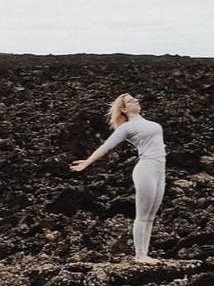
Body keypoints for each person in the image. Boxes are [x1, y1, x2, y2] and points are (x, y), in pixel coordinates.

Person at [70, 92, 166, 265]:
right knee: (143, 215)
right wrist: (87, 162)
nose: (135, 101)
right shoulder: (126, 128)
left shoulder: (150, 123)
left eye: (135, 99)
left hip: (160, 169)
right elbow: (106, 146)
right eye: (130, 101)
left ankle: (145, 254)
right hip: (146, 169)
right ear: (123, 109)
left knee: (151, 215)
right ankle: (140, 255)